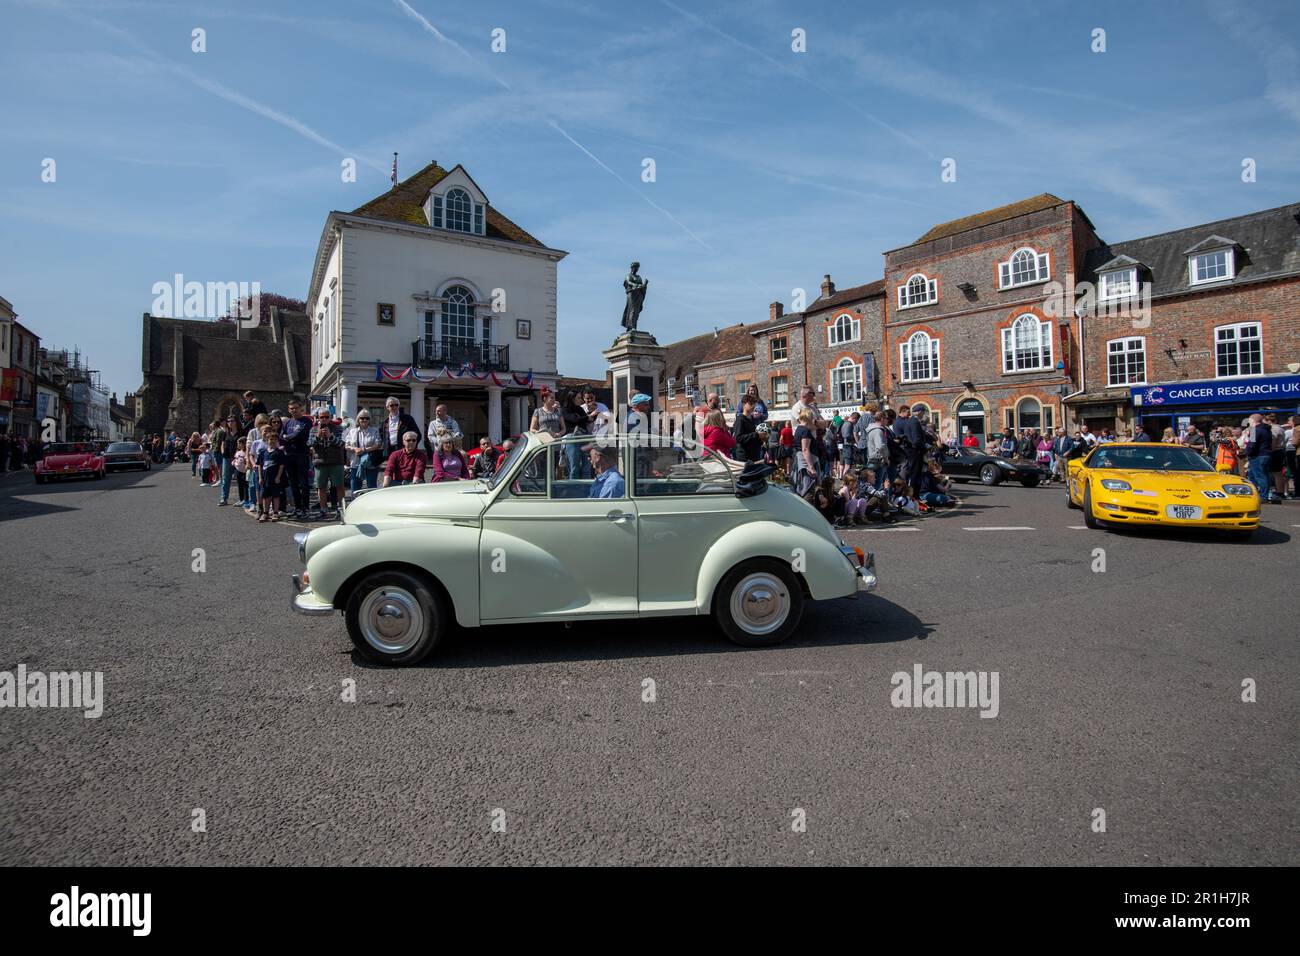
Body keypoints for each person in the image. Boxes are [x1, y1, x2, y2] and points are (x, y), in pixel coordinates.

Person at [309, 407, 346, 517]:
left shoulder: (338, 428)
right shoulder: (313, 429)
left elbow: (341, 444)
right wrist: (317, 437)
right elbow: (309, 444)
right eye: (322, 417)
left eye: (326, 417)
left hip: (336, 461)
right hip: (320, 462)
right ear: (318, 418)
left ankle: (342, 508)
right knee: (321, 487)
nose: (324, 419)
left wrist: (330, 436)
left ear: (330, 417)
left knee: (339, 486)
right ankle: (323, 509)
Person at [280, 399, 314, 517]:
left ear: (301, 408)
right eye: (291, 408)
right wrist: (289, 438)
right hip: (289, 455)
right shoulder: (287, 422)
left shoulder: (306, 421)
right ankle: (298, 507)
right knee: (293, 483)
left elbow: (301, 435)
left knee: (303, 483)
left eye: (295, 408)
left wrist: (287, 437)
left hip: (302, 455)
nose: (293, 410)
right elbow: (281, 438)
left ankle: (305, 508)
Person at [344, 409, 380, 496]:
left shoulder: (374, 430)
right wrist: (354, 449)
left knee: (371, 488)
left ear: (369, 419)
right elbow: (346, 445)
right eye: (362, 418)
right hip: (355, 463)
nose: (364, 420)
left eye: (366, 418)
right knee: (355, 488)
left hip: (370, 463)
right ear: (358, 419)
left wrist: (363, 450)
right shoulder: (352, 431)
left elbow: (377, 444)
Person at [379, 397, 419, 468]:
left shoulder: (407, 419)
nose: (394, 407)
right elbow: (382, 437)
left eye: (396, 405)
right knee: (392, 471)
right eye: (391, 405)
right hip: (390, 451)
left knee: (405, 470)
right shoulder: (385, 422)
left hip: (404, 450)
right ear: (387, 407)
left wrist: (411, 446)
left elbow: (417, 434)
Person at [257, 426, 287, 522]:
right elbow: (260, 466)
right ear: (267, 440)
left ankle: (275, 512)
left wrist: (278, 476)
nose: (272, 441)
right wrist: (260, 477)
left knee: (276, 496)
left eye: (274, 439)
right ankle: (265, 513)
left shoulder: (279, 452)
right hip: (265, 478)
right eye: (270, 439)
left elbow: (281, 465)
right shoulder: (263, 453)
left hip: (275, 478)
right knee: (266, 496)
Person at [1244, 413, 1274, 500]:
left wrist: (1247, 452)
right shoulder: (1267, 430)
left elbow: (1252, 445)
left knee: (1259, 476)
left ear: (1253, 420)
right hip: (1266, 454)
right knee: (1259, 475)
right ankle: (1261, 494)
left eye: (1249, 420)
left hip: (1257, 455)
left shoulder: (1254, 430)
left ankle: (1263, 496)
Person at [562, 391, 591, 478]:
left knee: (587, 465)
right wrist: (587, 417)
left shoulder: (580, 409)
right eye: (578, 398)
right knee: (574, 466)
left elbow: (587, 420)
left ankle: (586, 488)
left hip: (584, 437)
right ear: (572, 399)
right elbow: (574, 419)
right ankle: (574, 488)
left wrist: (594, 415)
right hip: (572, 439)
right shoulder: (564, 409)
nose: (581, 400)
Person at [793, 409, 819, 496]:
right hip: (806, 463)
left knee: (803, 488)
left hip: (802, 461)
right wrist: (811, 467)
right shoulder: (805, 430)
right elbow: (805, 449)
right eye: (812, 416)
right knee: (807, 489)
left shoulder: (799, 429)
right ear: (808, 417)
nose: (813, 419)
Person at [731, 395, 763, 462]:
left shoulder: (750, 420)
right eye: (751, 403)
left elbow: (752, 437)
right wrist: (756, 435)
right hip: (745, 457)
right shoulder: (740, 420)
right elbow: (738, 438)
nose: (753, 406)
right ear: (744, 404)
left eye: (754, 404)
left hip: (753, 456)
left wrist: (761, 439)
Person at [232, 438, 250, 506]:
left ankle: (246, 500)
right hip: (238, 470)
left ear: (244, 444)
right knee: (239, 485)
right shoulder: (238, 452)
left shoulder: (246, 452)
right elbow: (236, 458)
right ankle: (241, 499)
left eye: (239, 443)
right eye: (237, 443)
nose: (238, 445)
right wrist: (233, 461)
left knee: (245, 486)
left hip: (245, 471)